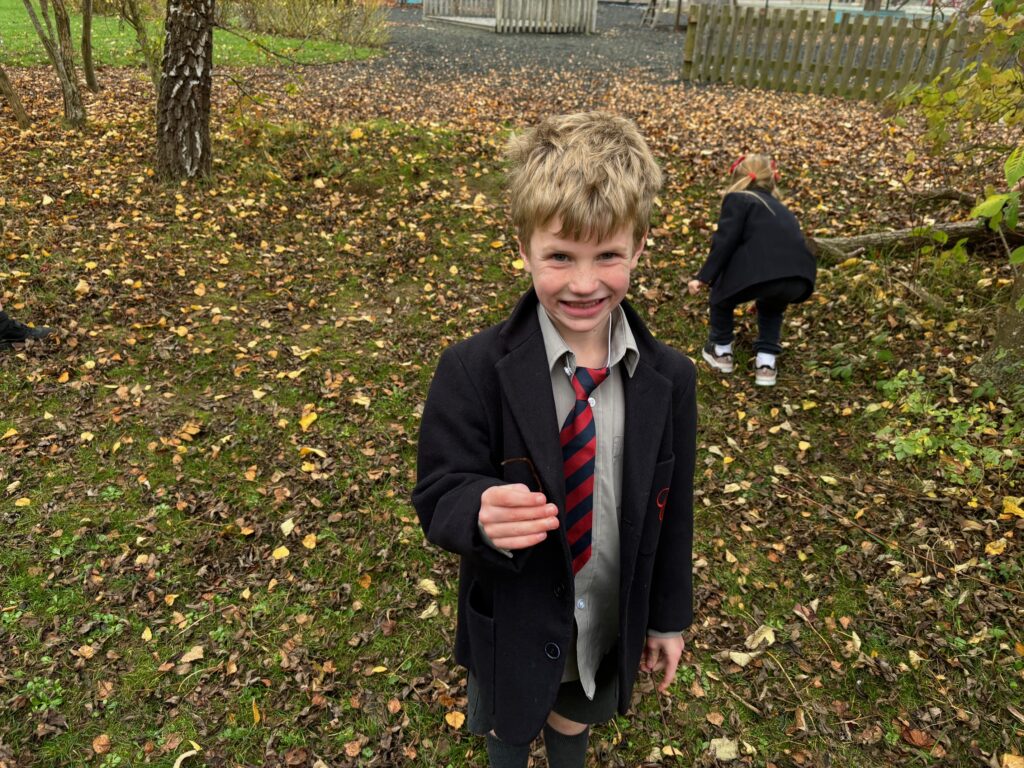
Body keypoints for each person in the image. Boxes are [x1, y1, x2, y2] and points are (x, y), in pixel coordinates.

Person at [413, 112, 697, 768]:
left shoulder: (670, 380)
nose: (584, 283)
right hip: (509, 621)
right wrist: (477, 510)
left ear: (640, 247)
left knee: (576, 720)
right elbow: (440, 488)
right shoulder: (473, 369)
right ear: (524, 248)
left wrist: (667, 619)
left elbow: (673, 510)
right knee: (508, 732)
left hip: (605, 617)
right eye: (560, 256)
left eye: (609, 256)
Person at [687, 153, 816, 387]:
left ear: (738, 178)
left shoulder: (739, 199)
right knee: (771, 307)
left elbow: (725, 242)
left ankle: (721, 350)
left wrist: (705, 277)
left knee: (721, 296)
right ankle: (766, 364)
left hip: (764, 271)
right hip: (799, 276)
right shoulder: (782, 209)